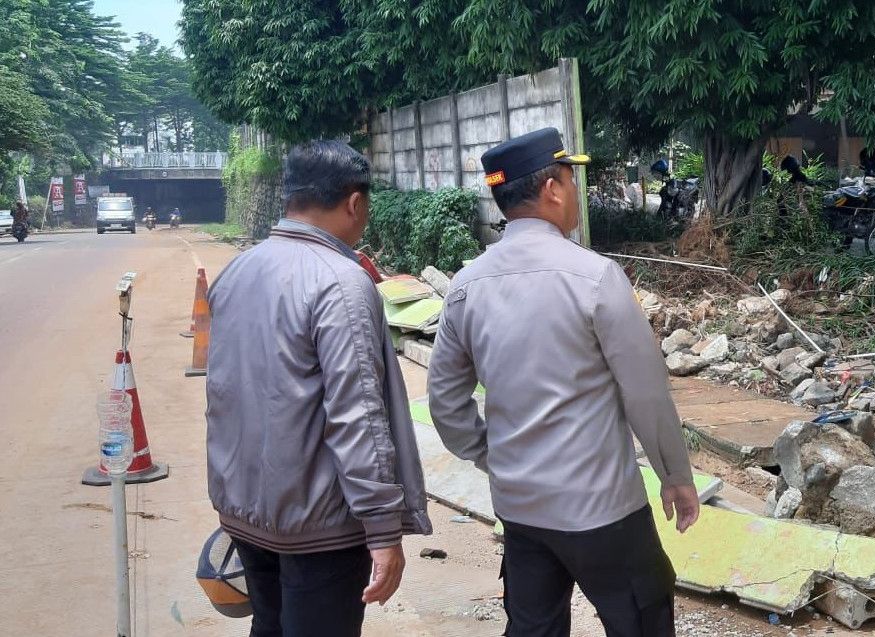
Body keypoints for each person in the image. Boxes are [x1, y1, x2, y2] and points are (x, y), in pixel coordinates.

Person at [428, 127, 701, 636]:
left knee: (533, 628)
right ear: (552, 189)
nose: (575, 193)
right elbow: (645, 394)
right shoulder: (595, 278)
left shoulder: (465, 288)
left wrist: (493, 456)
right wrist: (676, 477)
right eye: (571, 180)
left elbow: (445, 403)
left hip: (521, 511)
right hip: (603, 511)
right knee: (642, 619)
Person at [205, 140, 432, 637]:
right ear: (355, 202)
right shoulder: (341, 282)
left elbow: (225, 394)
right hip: (318, 526)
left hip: (247, 514)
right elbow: (359, 416)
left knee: (270, 625)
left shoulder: (236, 272)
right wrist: (381, 527)